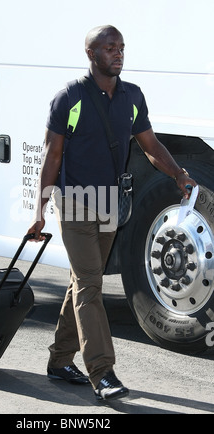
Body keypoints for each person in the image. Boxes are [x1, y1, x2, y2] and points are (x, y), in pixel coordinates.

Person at [27, 25, 197, 401]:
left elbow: (150, 145)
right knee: (90, 285)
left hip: (109, 202)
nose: (118, 54)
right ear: (92, 54)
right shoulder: (69, 98)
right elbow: (52, 156)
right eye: (109, 48)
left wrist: (178, 174)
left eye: (121, 47)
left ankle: (58, 360)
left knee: (81, 283)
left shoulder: (132, 97)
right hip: (73, 201)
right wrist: (39, 210)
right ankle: (102, 371)